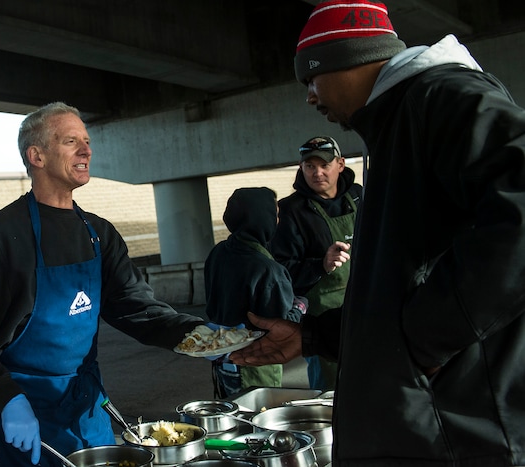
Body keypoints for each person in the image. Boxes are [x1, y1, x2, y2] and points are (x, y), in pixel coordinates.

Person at [230, 1, 525, 465]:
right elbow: (398, 287)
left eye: (312, 78)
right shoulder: (395, 126)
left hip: (454, 435)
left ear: (349, 61)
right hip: (419, 427)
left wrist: (425, 340)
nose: (310, 96)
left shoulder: (444, 95)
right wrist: (313, 338)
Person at [0, 101, 204, 466]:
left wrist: (202, 336)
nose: (86, 150)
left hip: (87, 405)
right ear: (37, 156)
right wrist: (4, 396)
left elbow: (136, 308)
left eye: (87, 141)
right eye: (70, 141)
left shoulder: (98, 233)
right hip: (24, 412)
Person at [270, 135, 362, 391]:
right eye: (309, 166)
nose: (317, 172)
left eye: (324, 165)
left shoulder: (359, 197)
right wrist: (321, 265)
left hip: (366, 306)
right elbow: (281, 271)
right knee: (331, 391)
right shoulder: (290, 210)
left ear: (340, 164)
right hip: (321, 318)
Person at [204, 187, 305, 398]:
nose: (278, 221)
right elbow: (281, 325)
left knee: (231, 416)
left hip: (222, 360)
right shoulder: (268, 269)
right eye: (274, 215)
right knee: (257, 422)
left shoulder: (218, 252)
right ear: (263, 218)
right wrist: (300, 306)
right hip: (255, 364)